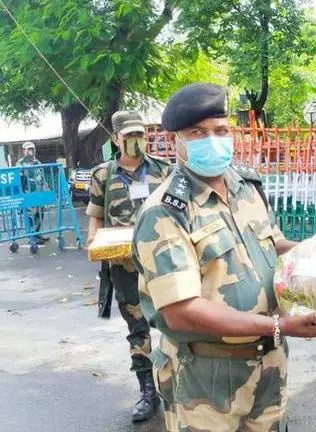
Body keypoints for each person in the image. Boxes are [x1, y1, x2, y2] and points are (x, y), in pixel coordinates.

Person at [132, 83, 316, 432]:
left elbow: (272, 245)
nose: (212, 140)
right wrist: (280, 326)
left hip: (270, 364)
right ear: (177, 142)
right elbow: (181, 311)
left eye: (220, 131)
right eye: (197, 133)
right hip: (207, 375)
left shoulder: (246, 186)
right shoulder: (166, 211)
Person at [86, 110, 173, 423]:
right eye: (129, 136)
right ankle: (148, 392)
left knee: (174, 324)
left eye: (140, 135)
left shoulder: (165, 170)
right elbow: (96, 215)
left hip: (164, 265)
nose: (136, 141)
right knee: (138, 331)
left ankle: (176, 385)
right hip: (124, 269)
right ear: (115, 139)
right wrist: (94, 245)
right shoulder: (102, 175)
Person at [16, 141, 47, 244]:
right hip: (28, 193)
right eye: (28, 149)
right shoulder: (20, 163)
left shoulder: (37, 162)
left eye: (32, 149)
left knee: (40, 212)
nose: (31, 151)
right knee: (30, 214)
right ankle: (31, 237)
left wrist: (46, 189)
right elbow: (19, 179)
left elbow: (42, 177)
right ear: (24, 151)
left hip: (39, 192)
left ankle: (38, 234)